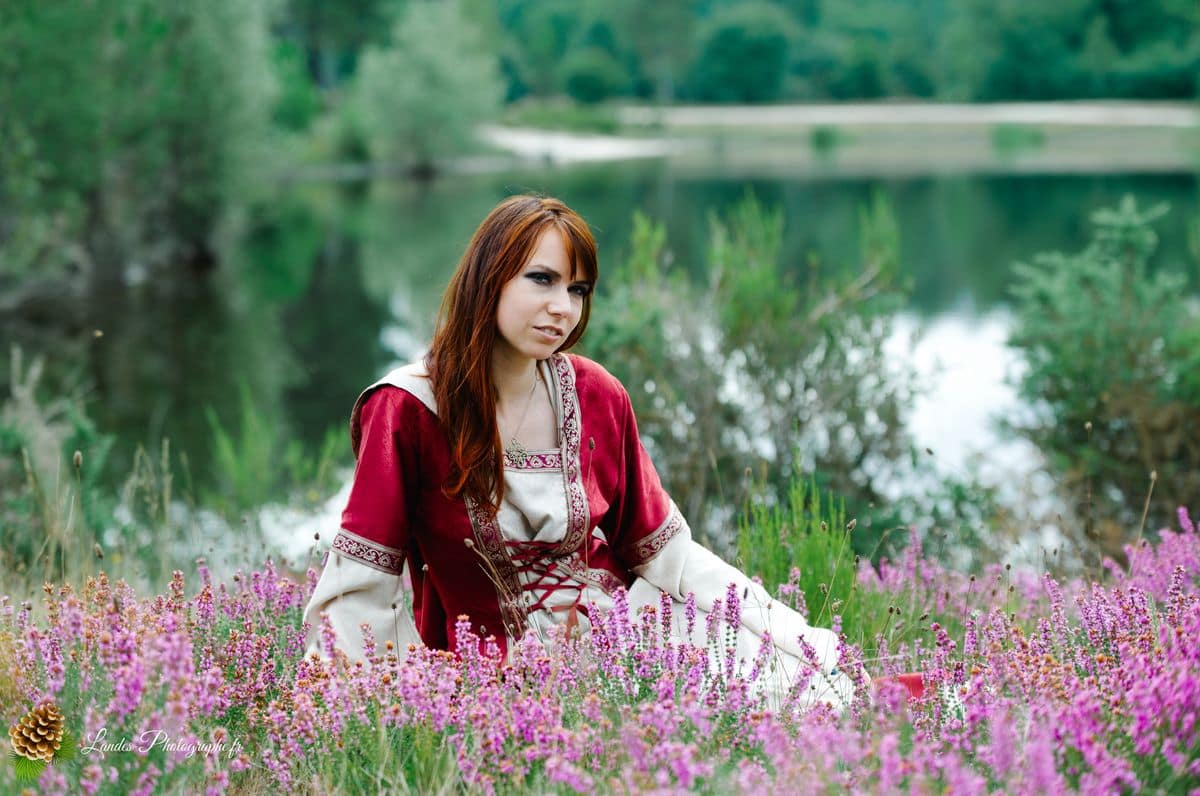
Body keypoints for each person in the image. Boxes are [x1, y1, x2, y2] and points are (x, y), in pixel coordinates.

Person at [302, 195, 858, 710]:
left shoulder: (596, 394)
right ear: (489, 277)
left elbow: (666, 553)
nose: (562, 308)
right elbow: (360, 583)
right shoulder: (408, 409)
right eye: (542, 280)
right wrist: (386, 706)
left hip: (627, 640)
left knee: (812, 691)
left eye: (578, 290)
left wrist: (785, 631)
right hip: (488, 677)